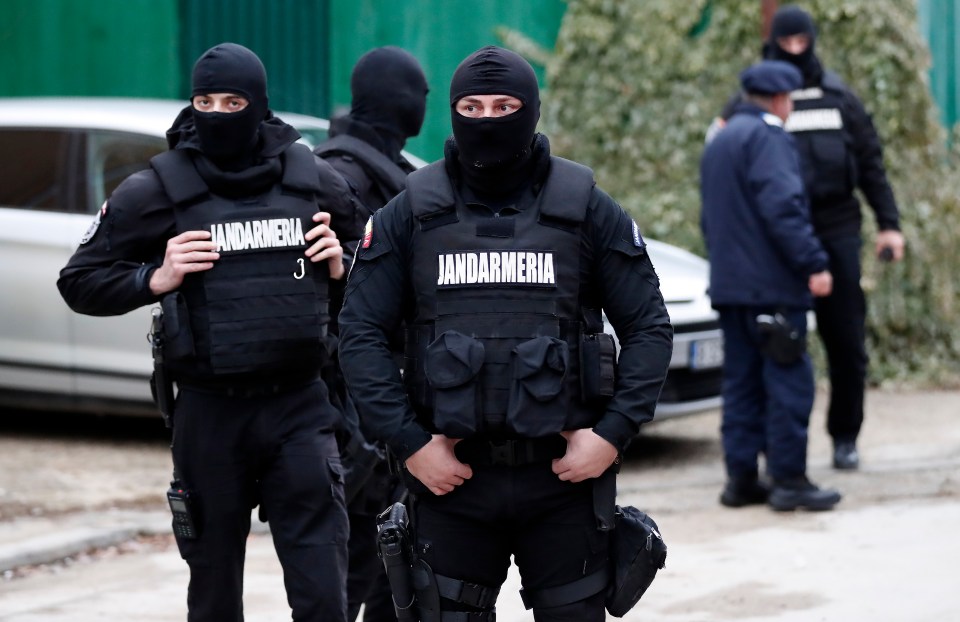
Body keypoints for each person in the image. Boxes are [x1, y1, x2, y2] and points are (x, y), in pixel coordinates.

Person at [337, 45, 673, 621]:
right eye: (471, 106)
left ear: (532, 110)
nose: (487, 120)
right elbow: (359, 332)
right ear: (450, 111)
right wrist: (411, 445)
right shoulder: (411, 212)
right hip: (449, 483)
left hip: (564, 482)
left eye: (504, 105)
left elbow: (648, 326)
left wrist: (612, 435)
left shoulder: (585, 208)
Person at [57, 42, 351, 621]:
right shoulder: (158, 190)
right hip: (210, 415)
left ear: (259, 105)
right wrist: (155, 277)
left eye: (233, 100)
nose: (218, 114)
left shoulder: (315, 182)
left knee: (322, 595)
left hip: (300, 409)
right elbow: (79, 282)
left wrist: (342, 268)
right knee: (213, 593)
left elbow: (380, 281)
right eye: (205, 101)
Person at [710, 4, 906, 470]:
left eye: (803, 43)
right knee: (774, 349)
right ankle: (769, 455)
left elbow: (872, 165)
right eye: (787, 44)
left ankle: (844, 436)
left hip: (835, 230)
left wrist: (889, 224)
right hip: (775, 243)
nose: (796, 52)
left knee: (846, 342)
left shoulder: (840, 97)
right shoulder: (747, 108)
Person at [314, 46, 428, 622]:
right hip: (353, 417)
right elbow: (324, 309)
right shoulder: (339, 177)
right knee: (359, 572)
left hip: (390, 406)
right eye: (421, 96)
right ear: (400, 101)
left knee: (398, 567)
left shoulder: (395, 171)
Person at [700, 60, 842, 512]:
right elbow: (784, 208)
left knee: (741, 384)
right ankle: (788, 480)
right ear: (781, 101)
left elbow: (710, 220)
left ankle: (740, 480)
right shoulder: (769, 138)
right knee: (787, 383)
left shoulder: (720, 141)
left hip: (731, 288)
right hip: (774, 288)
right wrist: (814, 264)